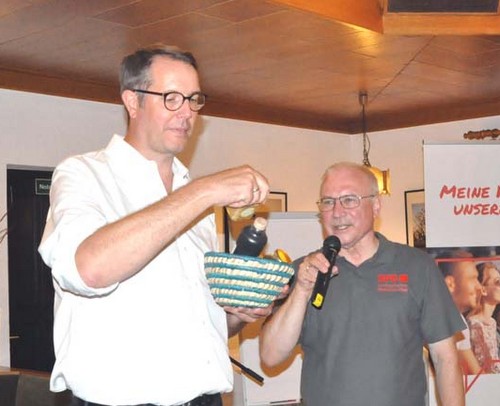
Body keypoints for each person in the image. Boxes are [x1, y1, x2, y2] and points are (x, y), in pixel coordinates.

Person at [38, 44, 273, 406]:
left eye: (194, 99)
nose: (187, 113)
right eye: (172, 98)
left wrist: (236, 317)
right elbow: (89, 269)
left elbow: (201, 323)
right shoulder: (83, 175)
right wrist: (204, 190)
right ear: (132, 102)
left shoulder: (192, 197)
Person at [259, 162, 465, 406]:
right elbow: (270, 356)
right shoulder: (305, 272)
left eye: (349, 200)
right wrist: (301, 291)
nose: (336, 212)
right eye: (327, 202)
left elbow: (445, 359)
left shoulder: (417, 267)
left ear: (376, 205)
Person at [438, 250, 482, 375]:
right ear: (450, 284)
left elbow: (474, 373)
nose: (479, 287)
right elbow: (474, 374)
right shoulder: (445, 320)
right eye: (473, 278)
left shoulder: (455, 319)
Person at [467, 262, 500, 373]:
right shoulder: (475, 324)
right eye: (497, 282)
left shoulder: (492, 322)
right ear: (483, 290)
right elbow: (484, 368)